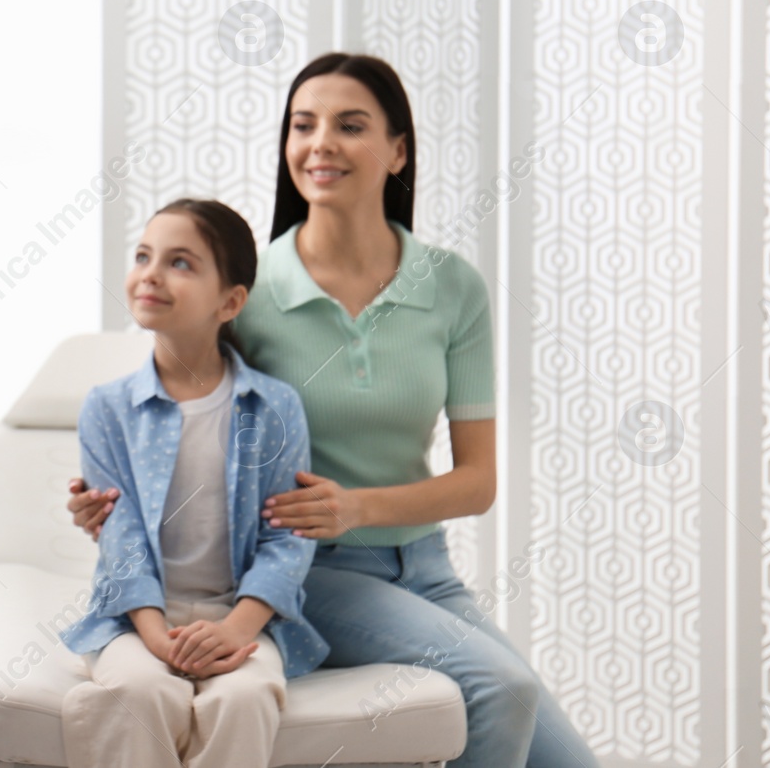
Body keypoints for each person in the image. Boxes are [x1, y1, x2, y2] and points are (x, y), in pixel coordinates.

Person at [68, 55, 599, 767]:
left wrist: (358, 505)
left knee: (567, 756)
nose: (321, 143)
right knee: (498, 686)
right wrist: (108, 500)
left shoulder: (453, 288)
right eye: (303, 124)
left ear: (398, 150)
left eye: (350, 126)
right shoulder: (250, 292)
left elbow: (477, 482)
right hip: (312, 569)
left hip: (426, 565)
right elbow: (172, 406)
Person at [57, 199, 329, 768]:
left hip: (239, 613)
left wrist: (236, 628)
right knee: (139, 692)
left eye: (180, 263)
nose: (150, 273)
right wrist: (156, 640)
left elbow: (289, 535)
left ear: (230, 301)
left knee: (247, 695)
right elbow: (120, 534)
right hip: (135, 618)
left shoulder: (275, 408)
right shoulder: (107, 408)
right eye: (143, 256)